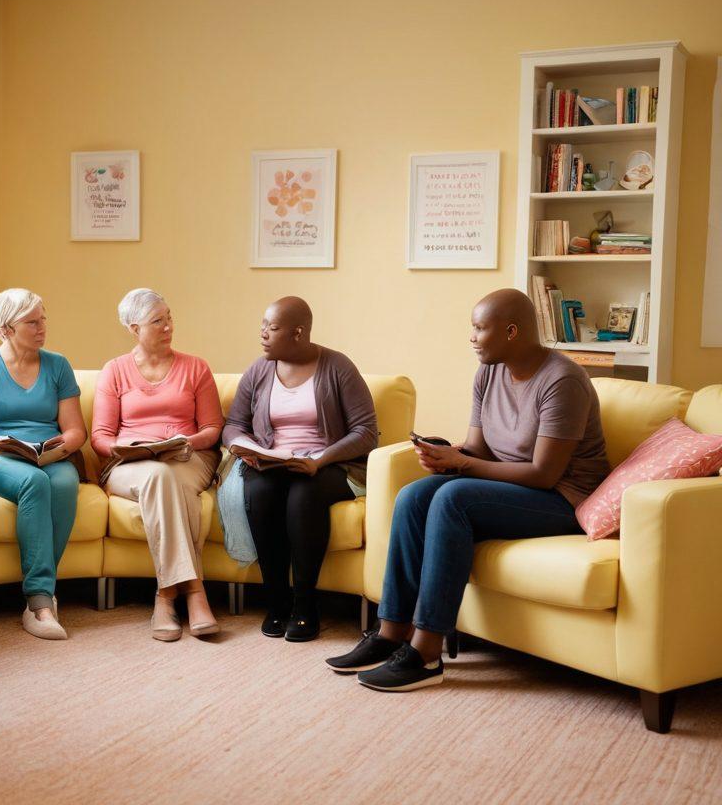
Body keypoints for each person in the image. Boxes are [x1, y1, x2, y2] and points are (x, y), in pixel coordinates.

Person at [326, 288, 610, 691]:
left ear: (511, 331)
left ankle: (426, 654)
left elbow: (545, 474)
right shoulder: (488, 372)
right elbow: (477, 449)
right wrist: (447, 454)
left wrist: (462, 465)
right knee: (414, 495)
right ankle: (391, 633)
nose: (472, 338)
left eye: (479, 328)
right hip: (513, 487)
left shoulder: (563, 382)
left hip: (563, 499)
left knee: (452, 498)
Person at [223, 297, 378, 642]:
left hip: (328, 464)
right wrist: (246, 448)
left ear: (298, 333)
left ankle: (306, 605)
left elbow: (366, 431)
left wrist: (319, 460)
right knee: (260, 494)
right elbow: (233, 423)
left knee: (303, 497)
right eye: (262, 325)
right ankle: (276, 603)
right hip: (273, 461)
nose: (262, 334)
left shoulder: (338, 367)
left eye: (272, 328)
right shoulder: (259, 370)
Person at [91, 289, 224, 641]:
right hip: (129, 463)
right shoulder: (114, 371)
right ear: (134, 328)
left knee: (168, 476)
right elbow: (100, 437)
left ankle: (165, 597)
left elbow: (212, 430)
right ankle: (193, 592)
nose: (168, 327)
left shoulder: (196, 367)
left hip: (189, 456)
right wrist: (129, 447)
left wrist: (184, 442)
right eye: (157, 321)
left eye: (169, 318)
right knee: (159, 476)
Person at [0, 288, 86, 640]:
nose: (42, 326)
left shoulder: (58, 365)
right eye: (32, 321)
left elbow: (75, 430)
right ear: (5, 330)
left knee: (62, 482)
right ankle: (39, 601)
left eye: (43, 318)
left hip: (48, 452)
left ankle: (42, 593)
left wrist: (59, 448)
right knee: (35, 482)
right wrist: (1, 445)